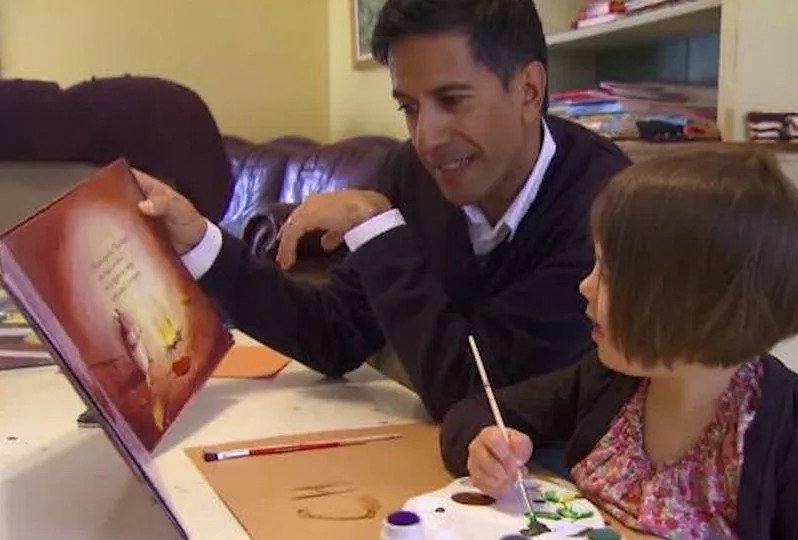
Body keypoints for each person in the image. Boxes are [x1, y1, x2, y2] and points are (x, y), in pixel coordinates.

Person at [134, 0, 630, 420]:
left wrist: (377, 232)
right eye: (409, 108)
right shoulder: (411, 173)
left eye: (452, 101)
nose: (426, 139)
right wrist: (200, 241)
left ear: (529, 90)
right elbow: (334, 334)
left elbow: (476, 395)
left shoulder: (606, 209)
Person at [439, 150, 798, 538]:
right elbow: (474, 412)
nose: (585, 286)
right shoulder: (613, 380)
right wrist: (486, 449)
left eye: (609, 274)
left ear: (689, 302)